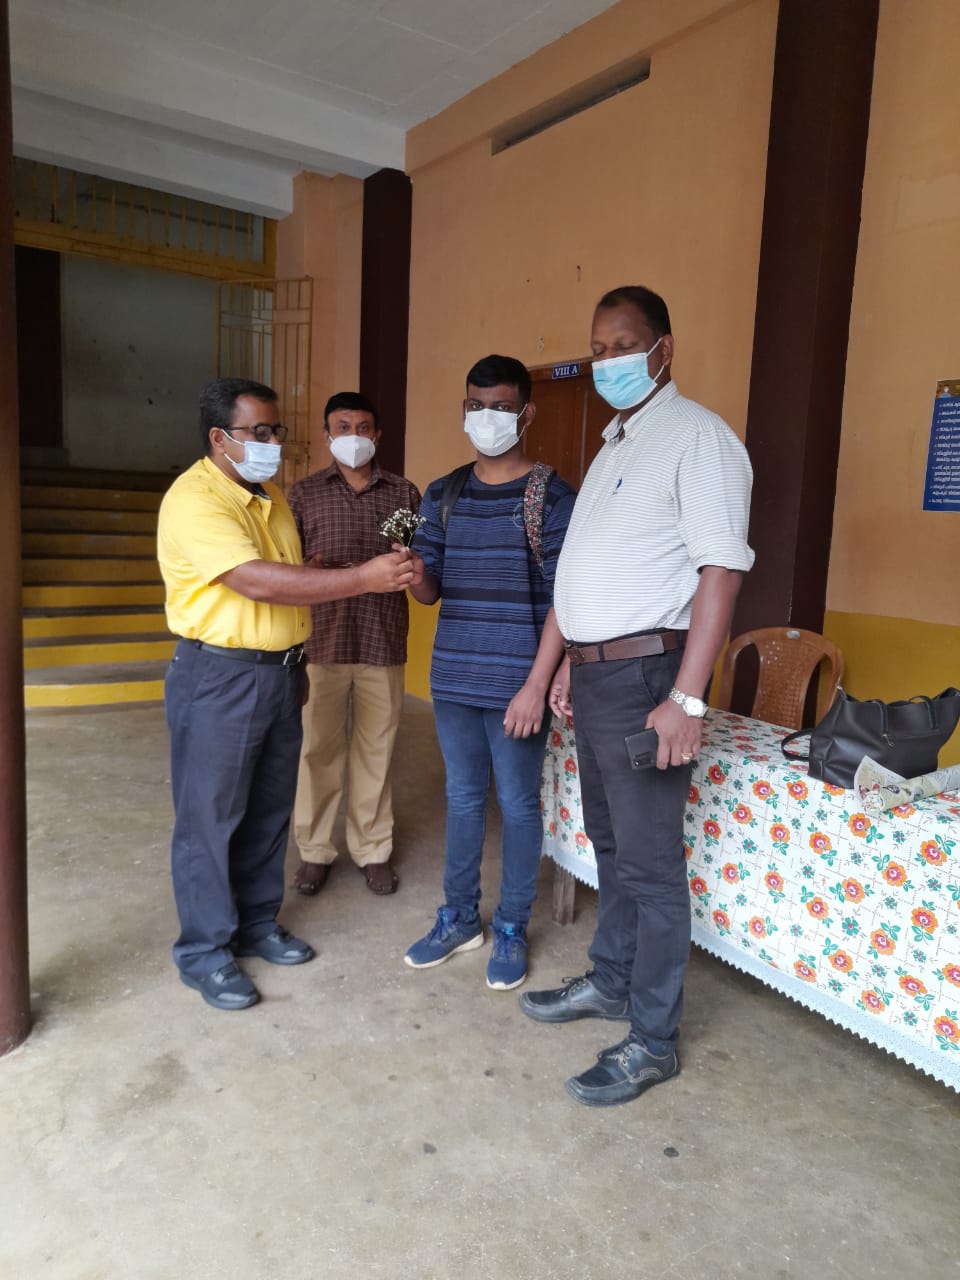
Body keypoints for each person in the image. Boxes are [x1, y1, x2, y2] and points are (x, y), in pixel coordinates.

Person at [519, 286, 754, 1105]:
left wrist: (687, 700)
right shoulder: (615, 445)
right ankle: (612, 980)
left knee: (651, 866)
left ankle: (653, 1040)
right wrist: (566, 665)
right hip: (596, 678)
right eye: (598, 348)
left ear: (664, 348)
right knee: (612, 844)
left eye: (623, 344)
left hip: (650, 677)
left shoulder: (699, 438)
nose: (608, 360)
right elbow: (587, 573)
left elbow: (720, 572)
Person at [157, 378, 415, 1011]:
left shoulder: (270, 498)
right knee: (210, 820)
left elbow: (292, 578)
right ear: (219, 438)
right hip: (219, 677)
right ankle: (205, 952)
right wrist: (362, 577)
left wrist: (295, 653)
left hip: (278, 671)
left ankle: (255, 923)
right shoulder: (196, 500)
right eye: (259, 432)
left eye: (277, 432)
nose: (273, 443)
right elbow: (256, 581)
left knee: (269, 811)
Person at [403, 354, 577, 991]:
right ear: (464, 409)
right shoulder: (443, 493)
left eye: (501, 407)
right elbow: (430, 591)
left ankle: (510, 925)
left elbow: (566, 600)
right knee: (463, 798)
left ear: (526, 413)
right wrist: (412, 571)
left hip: (516, 685)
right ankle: (458, 918)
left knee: (519, 804)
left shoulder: (551, 496)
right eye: (477, 406)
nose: (487, 417)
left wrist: (536, 685)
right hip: (453, 675)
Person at [286, 392, 421, 898]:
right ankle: (315, 850)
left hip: (381, 640)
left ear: (377, 435)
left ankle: (373, 849)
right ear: (326, 436)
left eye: (363, 428)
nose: (354, 437)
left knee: (376, 750)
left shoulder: (404, 493)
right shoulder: (303, 495)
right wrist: (309, 572)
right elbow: (288, 570)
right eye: (342, 428)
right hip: (320, 641)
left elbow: (415, 561)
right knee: (316, 750)